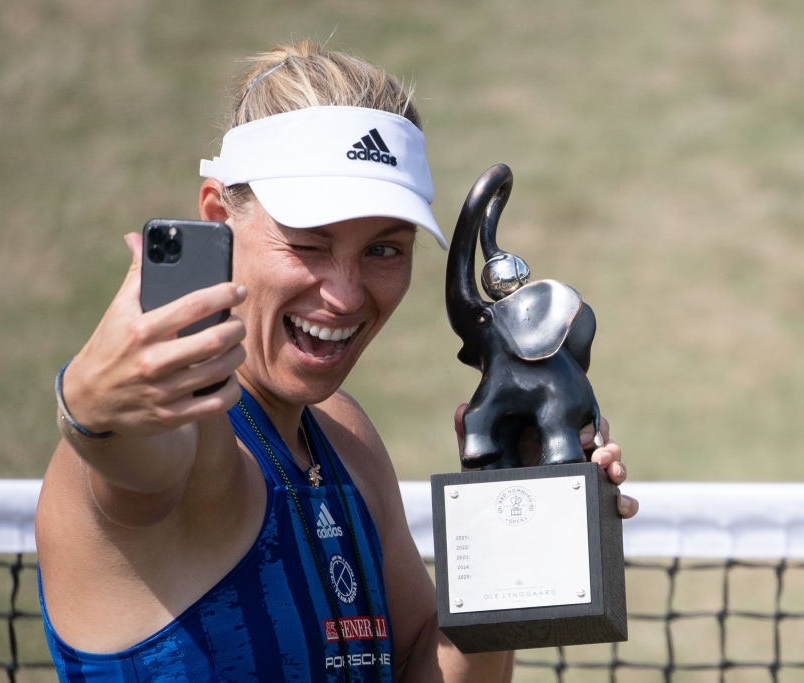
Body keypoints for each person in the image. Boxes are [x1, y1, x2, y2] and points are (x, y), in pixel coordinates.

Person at [35, 39, 639, 682]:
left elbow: (422, 668)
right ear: (216, 216)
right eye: (308, 245)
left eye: (384, 250)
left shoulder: (345, 437)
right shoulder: (191, 423)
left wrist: (509, 511)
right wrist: (90, 408)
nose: (346, 294)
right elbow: (137, 458)